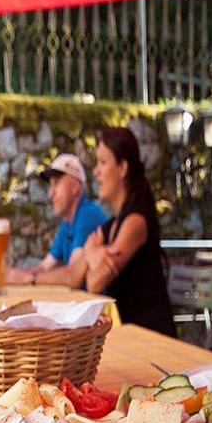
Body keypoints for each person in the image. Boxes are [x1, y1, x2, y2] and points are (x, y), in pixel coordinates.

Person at [70, 127, 176, 336]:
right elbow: (79, 275)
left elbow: (94, 281)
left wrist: (92, 251)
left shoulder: (136, 222)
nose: (96, 171)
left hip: (153, 338)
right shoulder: (113, 225)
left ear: (122, 168)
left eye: (103, 162)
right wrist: (95, 254)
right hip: (131, 335)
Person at [6, 154, 107, 286]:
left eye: (56, 183)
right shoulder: (67, 223)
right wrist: (14, 275)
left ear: (74, 187)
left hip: (98, 305)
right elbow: (45, 267)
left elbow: (72, 276)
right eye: (50, 185)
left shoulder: (88, 215)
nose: (50, 193)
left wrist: (27, 278)